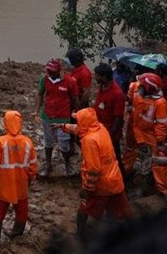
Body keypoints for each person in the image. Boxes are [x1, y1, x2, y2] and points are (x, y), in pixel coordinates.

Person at [53, 108, 132, 241]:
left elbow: (93, 169)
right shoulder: (101, 129)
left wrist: (86, 189)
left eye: (78, 120)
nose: (77, 122)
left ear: (84, 122)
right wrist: (63, 126)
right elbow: (81, 129)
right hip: (115, 180)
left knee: (83, 211)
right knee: (124, 211)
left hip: (100, 185)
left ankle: (81, 237)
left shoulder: (89, 141)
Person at [0, 110, 38, 244]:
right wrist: (30, 179)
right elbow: (33, 165)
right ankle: (17, 234)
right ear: (20, 124)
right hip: (21, 184)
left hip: (3, 186)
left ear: (6, 124)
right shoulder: (28, 142)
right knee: (21, 211)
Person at [35, 58, 78, 177]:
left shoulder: (70, 81)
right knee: (48, 142)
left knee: (64, 143)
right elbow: (40, 94)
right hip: (48, 116)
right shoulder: (44, 79)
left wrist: (77, 114)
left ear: (59, 70)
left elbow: (75, 99)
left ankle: (67, 163)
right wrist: (37, 111)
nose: (50, 73)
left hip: (63, 117)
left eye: (53, 71)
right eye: (49, 71)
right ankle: (48, 164)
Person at [130, 73, 167, 196]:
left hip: (151, 138)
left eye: (142, 85)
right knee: (138, 162)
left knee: (154, 165)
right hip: (138, 135)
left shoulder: (160, 103)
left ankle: (162, 191)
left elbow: (162, 125)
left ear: (148, 88)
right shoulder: (139, 95)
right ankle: (137, 185)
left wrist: (159, 142)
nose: (139, 86)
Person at [91, 63, 126, 178]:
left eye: (97, 76)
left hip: (110, 133)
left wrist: (110, 136)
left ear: (105, 77)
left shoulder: (117, 94)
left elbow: (119, 118)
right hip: (99, 130)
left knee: (115, 158)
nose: (95, 78)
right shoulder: (102, 87)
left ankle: (122, 182)